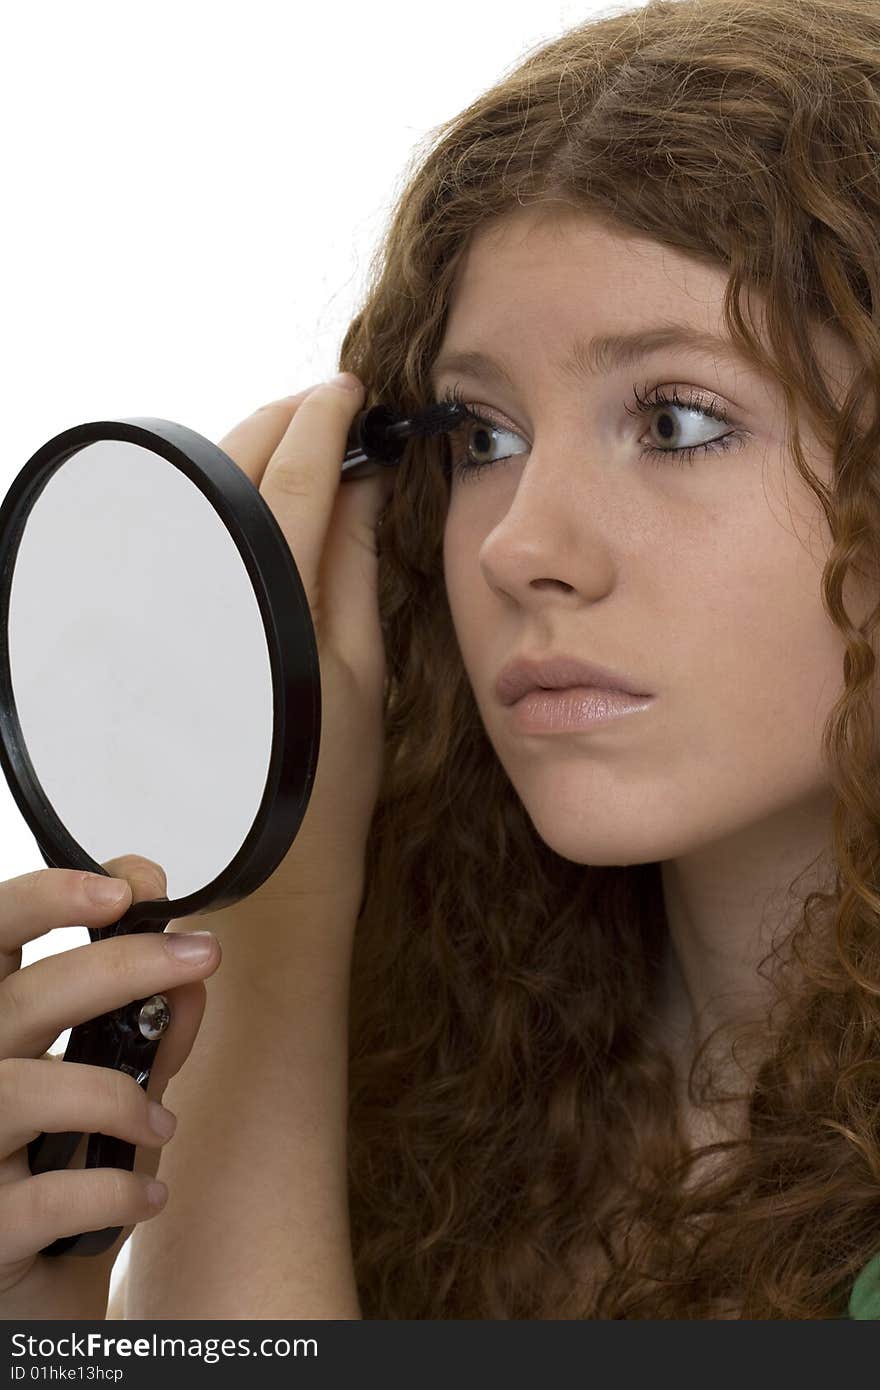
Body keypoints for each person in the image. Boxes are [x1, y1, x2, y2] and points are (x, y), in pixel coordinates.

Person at [3, 0, 880, 1320]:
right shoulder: (442, 1101)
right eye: (481, 435)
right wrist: (53, 1319)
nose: (522, 543)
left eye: (679, 416)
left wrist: (274, 930)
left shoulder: (299, 1028)